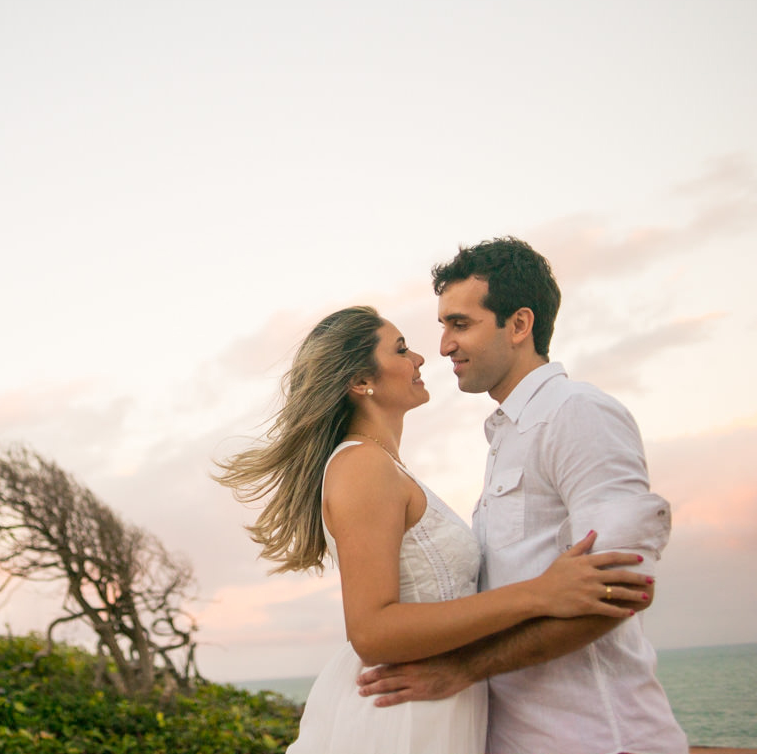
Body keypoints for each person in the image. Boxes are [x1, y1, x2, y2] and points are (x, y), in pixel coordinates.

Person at [215, 305, 652, 753]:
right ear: (361, 381)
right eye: (401, 349)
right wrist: (539, 593)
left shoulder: (383, 466)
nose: (421, 358)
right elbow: (371, 632)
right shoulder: (362, 466)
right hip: (401, 720)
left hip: (433, 706)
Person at [357, 237, 688, 754]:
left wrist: (464, 668)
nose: (443, 346)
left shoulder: (576, 413)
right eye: (444, 325)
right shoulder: (508, 435)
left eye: (460, 324)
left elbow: (621, 586)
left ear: (518, 325)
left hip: (599, 739)